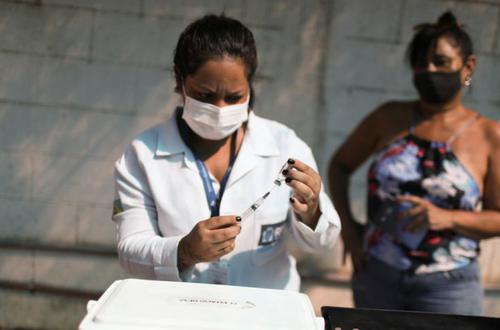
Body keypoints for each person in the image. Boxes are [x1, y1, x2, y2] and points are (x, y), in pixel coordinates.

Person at [112, 14, 340, 291]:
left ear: (249, 87)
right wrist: (184, 251)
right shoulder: (142, 156)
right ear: (179, 80)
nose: (220, 109)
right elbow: (130, 250)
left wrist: (312, 210)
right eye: (205, 95)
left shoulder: (285, 147)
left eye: (233, 97)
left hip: (263, 312)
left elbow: (323, 242)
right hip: (183, 311)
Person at [328, 11, 500, 315]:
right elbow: (340, 166)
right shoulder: (388, 118)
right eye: (420, 63)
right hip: (377, 277)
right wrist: (348, 230)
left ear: (468, 66)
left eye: (440, 62)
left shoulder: (489, 136)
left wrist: (447, 218)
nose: (429, 70)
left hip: (449, 287)